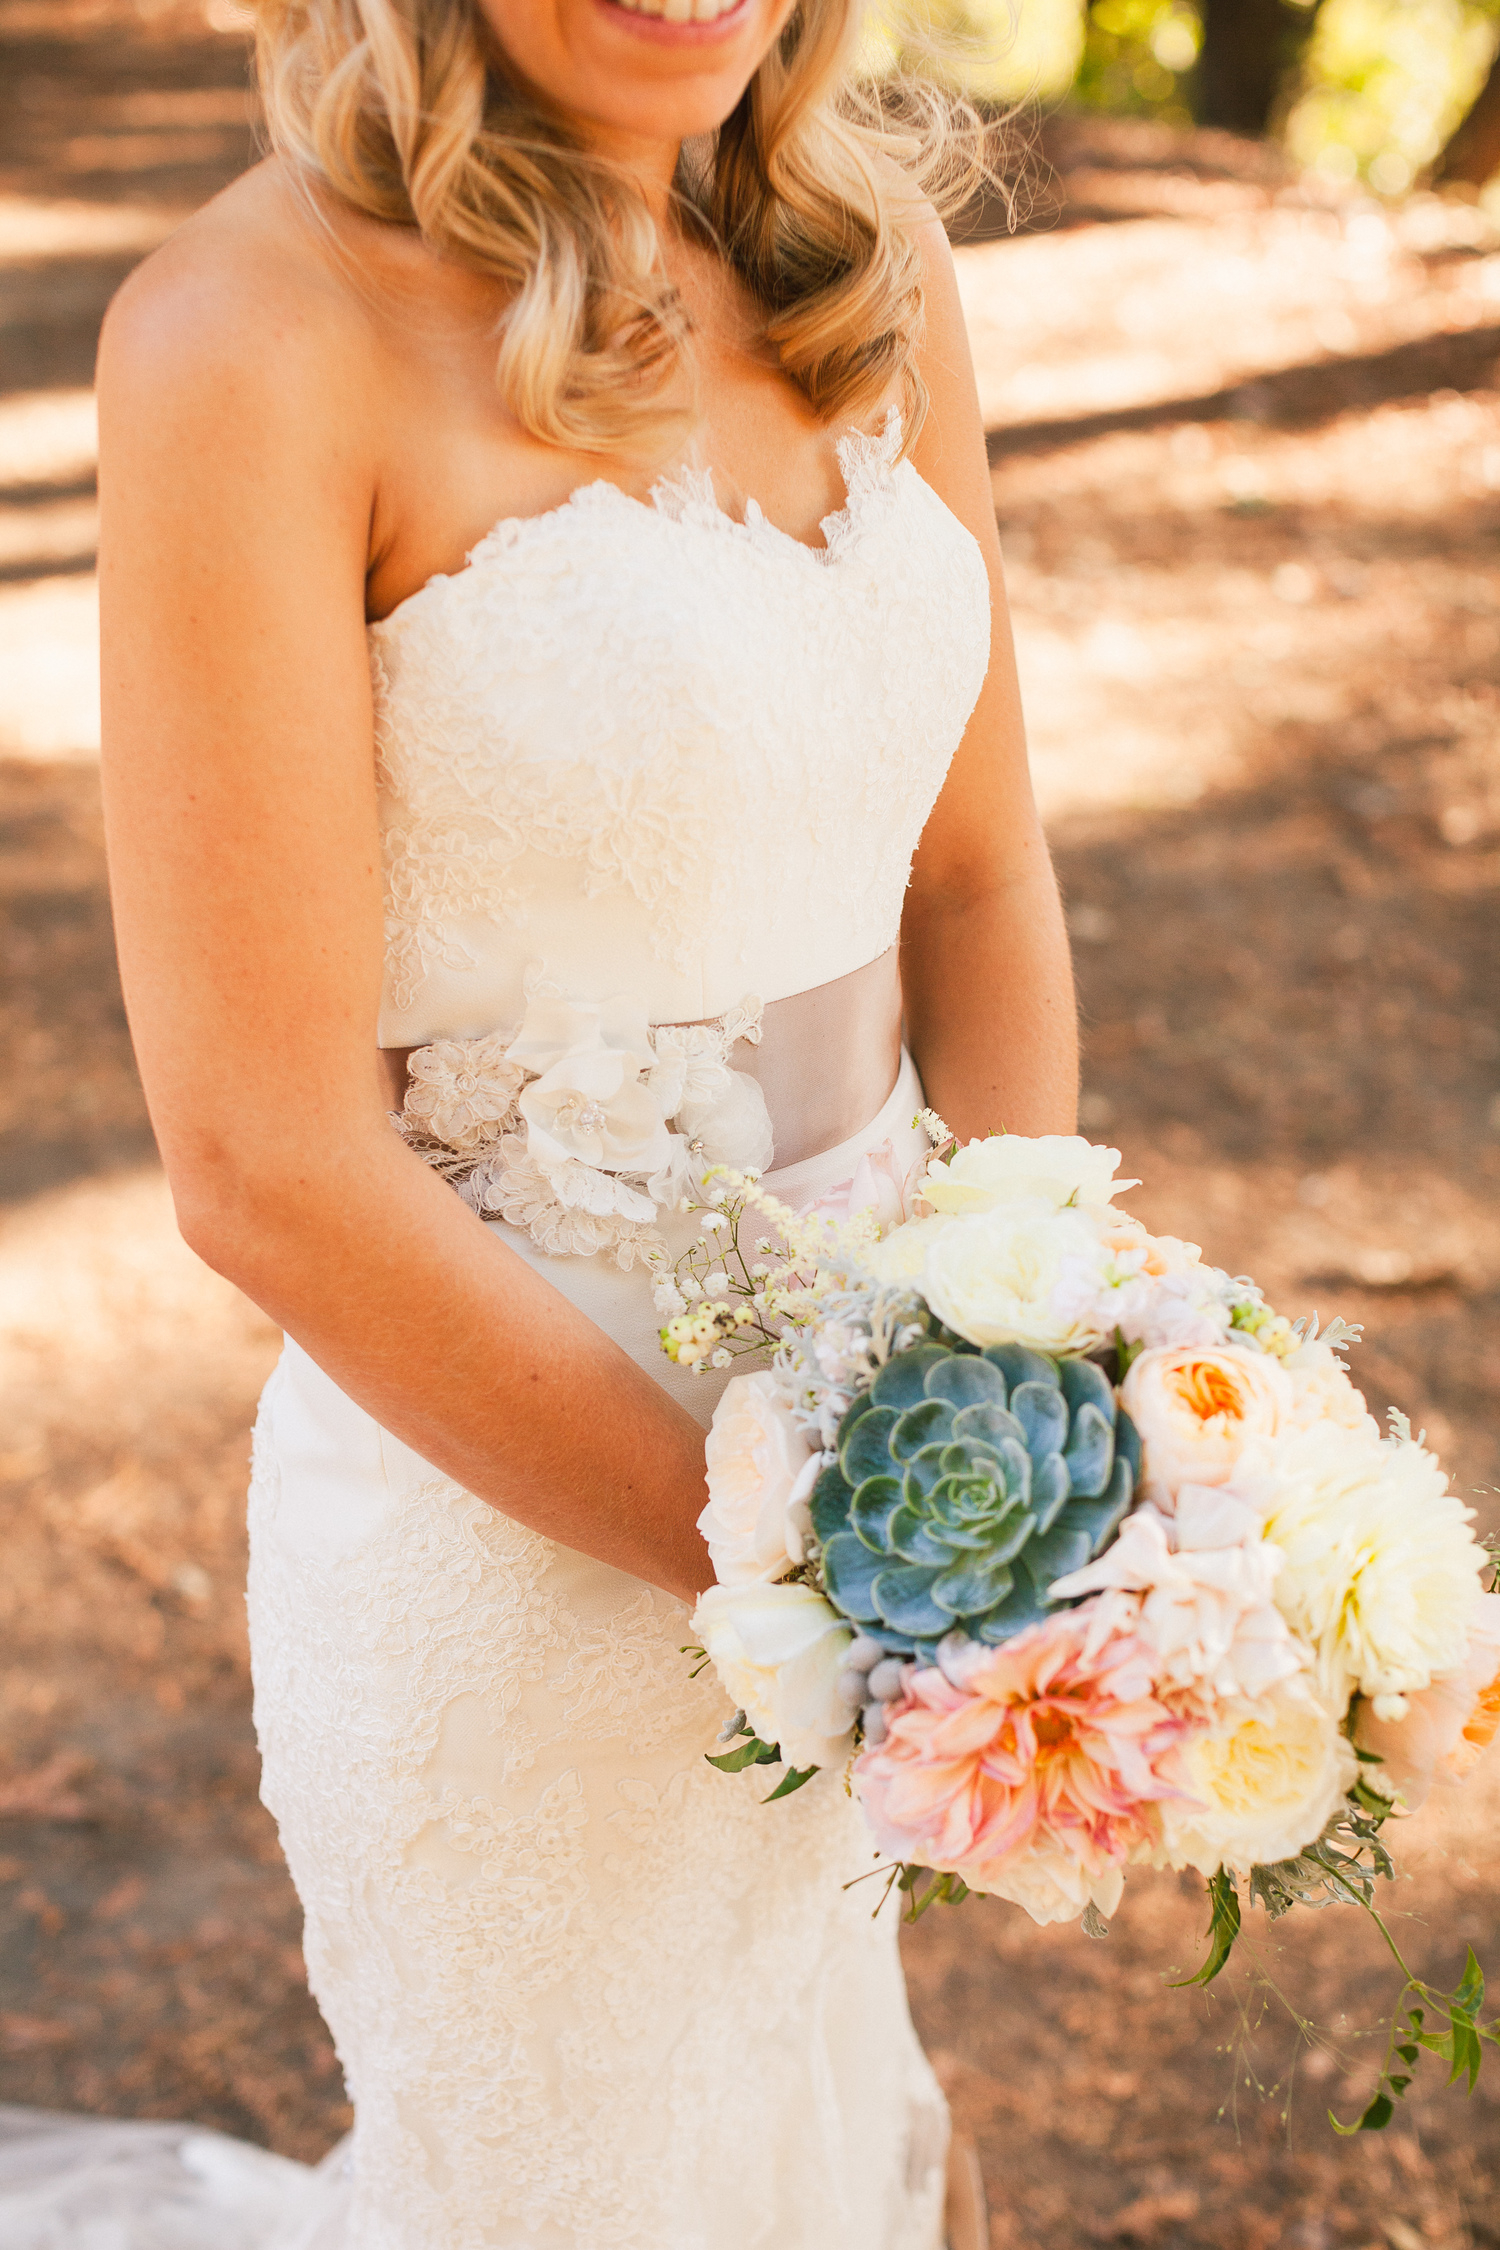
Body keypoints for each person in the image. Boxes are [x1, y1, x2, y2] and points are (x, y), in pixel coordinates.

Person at [3, 1, 1076, 2243]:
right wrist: (807, 1577)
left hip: (898, 1434)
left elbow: (973, 878)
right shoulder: (248, 335)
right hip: (516, 1529)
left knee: (829, 2123)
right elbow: (265, 1169)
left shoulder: (869, 266)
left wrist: (1026, 1384)